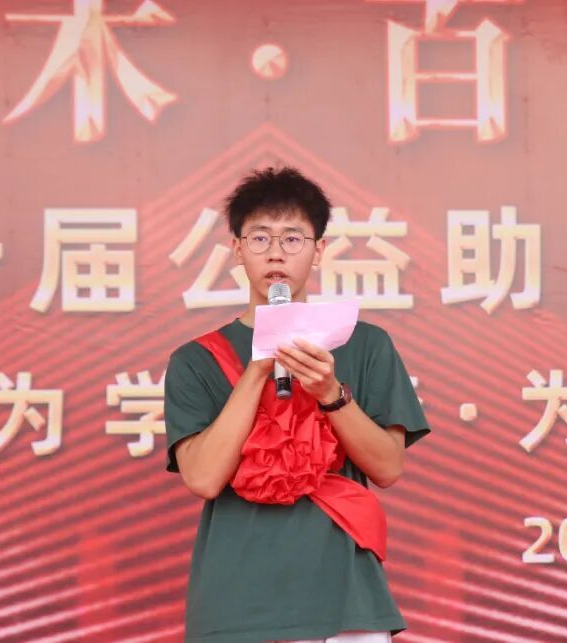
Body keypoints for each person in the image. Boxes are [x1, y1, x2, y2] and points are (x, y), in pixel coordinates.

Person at [163, 166, 430, 643]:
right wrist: (258, 368)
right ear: (237, 250)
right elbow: (202, 478)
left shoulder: (366, 345)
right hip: (237, 606)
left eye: (292, 239)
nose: (276, 254)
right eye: (260, 238)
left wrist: (331, 394)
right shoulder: (196, 360)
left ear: (319, 250)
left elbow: (388, 468)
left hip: (346, 601)